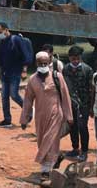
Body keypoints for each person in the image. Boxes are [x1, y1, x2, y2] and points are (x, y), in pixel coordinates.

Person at [20, 51, 73, 180]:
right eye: (40, 63)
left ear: (49, 62)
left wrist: (69, 116)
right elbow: (27, 101)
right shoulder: (32, 80)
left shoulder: (57, 77)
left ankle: (45, 170)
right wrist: (24, 119)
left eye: (45, 62)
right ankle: (55, 159)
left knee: (51, 140)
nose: (43, 65)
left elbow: (65, 97)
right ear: (36, 63)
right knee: (42, 140)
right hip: (40, 116)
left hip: (56, 114)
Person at [62, 46, 94, 162]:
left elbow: (91, 89)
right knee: (72, 127)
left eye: (77, 58)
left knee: (82, 127)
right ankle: (75, 148)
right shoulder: (65, 69)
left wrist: (91, 107)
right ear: (69, 58)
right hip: (70, 103)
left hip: (84, 104)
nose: (75, 61)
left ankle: (84, 151)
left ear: (81, 58)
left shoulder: (87, 70)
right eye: (73, 58)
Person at [0, 22, 31, 127]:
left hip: (15, 72)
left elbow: (26, 55)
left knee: (14, 95)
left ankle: (28, 110)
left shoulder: (16, 40)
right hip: (5, 73)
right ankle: (7, 120)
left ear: (6, 30)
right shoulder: (2, 42)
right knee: (4, 97)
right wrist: (0, 71)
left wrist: (24, 70)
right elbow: (1, 58)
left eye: (0, 32)